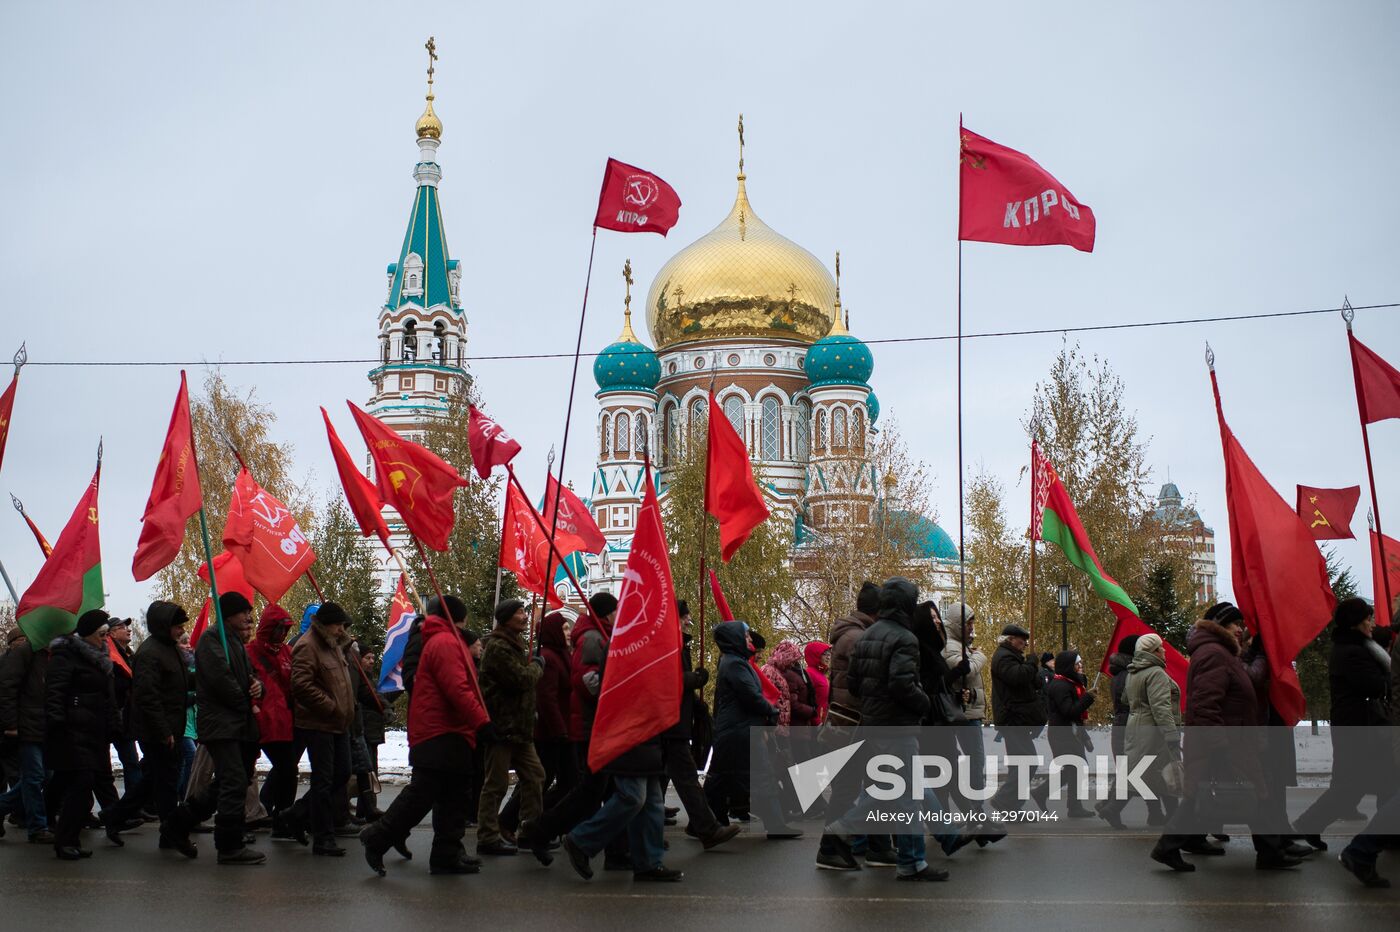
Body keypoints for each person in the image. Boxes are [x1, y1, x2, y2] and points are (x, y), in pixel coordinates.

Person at [1150, 606, 1297, 872]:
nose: (1240, 629)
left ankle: (1270, 852)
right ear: (1220, 627)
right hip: (1221, 741)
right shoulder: (1213, 654)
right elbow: (1206, 705)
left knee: (1255, 793)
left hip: (1233, 739)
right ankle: (1168, 847)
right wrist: (1220, 746)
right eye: (1233, 624)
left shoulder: (1222, 653)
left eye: (1240, 623)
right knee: (1244, 794)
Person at [360, 594, 494, 876]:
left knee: (454, 795)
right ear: (460, 617)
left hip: (446, 730)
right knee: (424, 793)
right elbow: (457, 689)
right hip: (441, 731)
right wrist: (482, 723)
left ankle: (447, 853)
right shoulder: (446, 642)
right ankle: (377, 837)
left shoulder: (443, 639)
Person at [831, 578, 950, 882]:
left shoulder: (867, 635)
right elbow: (902, 683)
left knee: (895, 792)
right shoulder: (904, 638)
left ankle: (910, 861)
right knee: (901, 793)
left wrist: (875, 700)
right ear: (907, 604)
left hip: (873, 723)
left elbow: (855, 684)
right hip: (898, 725)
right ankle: (846, 832)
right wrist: (924, 702)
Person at [1295, 598, 1394, 849]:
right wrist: (1387, 673)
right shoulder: (1352, 652)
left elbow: (1381, 635)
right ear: (1355, 623)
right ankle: (1309, 824)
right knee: (1351, 787)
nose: (1372, 623)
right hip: (1358, 727)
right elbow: (1375, 685)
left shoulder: (1357, 646)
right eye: (1368, 619)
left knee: (1385, 783)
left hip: (1363, 725)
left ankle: (1388, 835)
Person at [815, 581, 894, 869]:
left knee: (874, 785)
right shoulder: (857, 638)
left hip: (854, 722)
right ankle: (829, 849)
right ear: (878, 611)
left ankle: (878, 846)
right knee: (850, 788)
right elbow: (871, 680)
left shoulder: (852, 634)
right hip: (855, 723)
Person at [186, 591, 265, 865]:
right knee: (232, 781)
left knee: (230, 782)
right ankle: (230, 845)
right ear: (229, 614)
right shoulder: (211, 640)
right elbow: (222, 680)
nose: (248, 618)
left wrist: (258, 687)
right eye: (244, 612)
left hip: (238, 722)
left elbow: (249, 676)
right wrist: (248, 699)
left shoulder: (235, 641)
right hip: (221, 723)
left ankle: (177, 825)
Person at [44, 610, 122, 859]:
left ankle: (67, 835)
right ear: (87, 634)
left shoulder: (100, 659)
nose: (105, 640)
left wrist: (114, 725)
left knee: (70, 783)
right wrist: (58, 724)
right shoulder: (66, 656)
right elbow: (55, 692)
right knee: (82, 784)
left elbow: (107, 698)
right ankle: (64, 840)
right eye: (101, 635)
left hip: (94, 732)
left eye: (107, 635)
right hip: (71, 732)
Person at [476, 599, 546, 857]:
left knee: (536, 776)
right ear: (506, 618)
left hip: (520, 728)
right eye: (519, 612)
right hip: (502, 727)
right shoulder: (497, 647)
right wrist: (538, 666)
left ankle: (529, 830)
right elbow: (521, 679)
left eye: (524, 612)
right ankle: (487, 837)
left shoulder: (513, 644)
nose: (524, 616)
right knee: (495, 784)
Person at [665, 601, 737, 851]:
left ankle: (645, 836)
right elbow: (667, 679)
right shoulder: (668, 643)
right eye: (684, 617)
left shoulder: (678, 642)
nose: (688, 621)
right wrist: (694, 680)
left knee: (658, 782)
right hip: (670, 723)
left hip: (674, 722)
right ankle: (706, 828)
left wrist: (695, 703)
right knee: (685, 779)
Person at [287, 601, 357, 856]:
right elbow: (301, 686)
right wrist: (331, 707)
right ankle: (323, 838)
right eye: (338, 624)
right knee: (324, 780)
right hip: (319, 723)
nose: (342, 629)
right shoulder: (307, 646)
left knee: (342, 774)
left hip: (338, 723)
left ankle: (296, 813)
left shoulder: (334, 645)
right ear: (326, 624)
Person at [130, 601, 197, 858]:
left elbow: (180, 681)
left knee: (155, 780)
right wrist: (164, 731)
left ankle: (114, 816)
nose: (181, 630)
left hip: (170, 727)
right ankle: (171, 834)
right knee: (168, 783)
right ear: (163, 626)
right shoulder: (149, 653)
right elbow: (148, 697)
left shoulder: (169, 650)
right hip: (157, 730)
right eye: (177, 626)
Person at [704, 621, 782, 836]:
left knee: (720, 779)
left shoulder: (734, 661)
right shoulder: (736, 664)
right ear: (735, 638)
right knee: (761, 775)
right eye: (746, 636)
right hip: (740, 728)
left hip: (735, 728)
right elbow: (751, 695)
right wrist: (772, 711)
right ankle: (775, 825)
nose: (750, 640)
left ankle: (706, 822)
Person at [1100, 633, 1179, 830]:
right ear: (1152, 651)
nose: (1164, 650)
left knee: (1145, 772)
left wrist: (1139, 707)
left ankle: (1166, 815)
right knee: (1162, 771)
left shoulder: (1134, 673)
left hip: (1135, 725)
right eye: (1161, 648)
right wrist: (1170, 733)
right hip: (1153, 729)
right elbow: (1161, 707)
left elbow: (1126, 699)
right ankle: (1174, 818)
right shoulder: (1156, 673)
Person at [244, 604, 297, 826]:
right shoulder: (250, 651)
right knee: (285, 767)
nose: (282, 634)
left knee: (286, 768)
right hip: (261, 718)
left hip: (284, 719)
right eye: (278, 629)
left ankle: (276, 813)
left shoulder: (285, 651)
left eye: (285, 630)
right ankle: (281, 817)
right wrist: (254, 706)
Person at [0, 627, 54, 844]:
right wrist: (11, 724)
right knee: (34, 777)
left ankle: (5, 807)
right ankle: (37, 826)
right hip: (26, 726)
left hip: (43, 726)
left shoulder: (46, 656)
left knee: (44, 776)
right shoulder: (24, 654)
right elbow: (7, 688)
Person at [989, 623, 1049, 813]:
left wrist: (1032, 668)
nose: (1024, 643)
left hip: (1018, 718)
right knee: (1027, 763)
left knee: (1021, 764)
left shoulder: (1014, 657)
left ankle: (1011, 807)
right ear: (1010, 639)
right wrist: (1031, 663)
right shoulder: (1004, 657)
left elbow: (1032, 681)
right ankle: (1004, 801)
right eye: (1021, 640)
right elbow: (1017, 677)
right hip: (1012, 718)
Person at [941, 603, 987, 816]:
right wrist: (980, 656)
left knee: (974, 761)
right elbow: (966, 671)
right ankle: (975, 809)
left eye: (972, 622)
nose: (971, 627)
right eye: (968, 622)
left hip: (968, 710)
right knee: (975, 761)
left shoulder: (961, 645)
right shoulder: (951, 646)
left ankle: (973, 807)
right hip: (964, 713)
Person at [1045, 650, 1097, 818]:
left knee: (1074, 769)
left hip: (1070, 732)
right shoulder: (1060, 685)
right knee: (1075, 768)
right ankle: (1073, 807)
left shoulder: (1072, 683)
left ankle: (1071, 805)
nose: (1080, 666)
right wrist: (1088, 698)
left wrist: (1085, 737)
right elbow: (1069, 711)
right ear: (1069, 666)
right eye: (1077, 663)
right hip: (1062, 733)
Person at [106, 617, 143, 800]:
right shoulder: (109, 656)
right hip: (113, 716)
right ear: (111, 633)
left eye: (128, 626)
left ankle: (133, 805)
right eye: (121, 627)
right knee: (107, 767)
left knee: (132, 762)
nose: (128, 630)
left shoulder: (128, 655)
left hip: (125, 716)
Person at [803, 640, 832, 726]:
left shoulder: (821, 673)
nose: (828, 657)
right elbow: (806, 701)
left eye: (829, 654)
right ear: (815, 655)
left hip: (824, 720)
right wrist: (816, 721)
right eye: (824, 654)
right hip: (815, 724)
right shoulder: (809, 673)